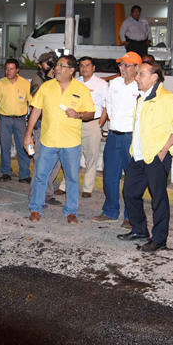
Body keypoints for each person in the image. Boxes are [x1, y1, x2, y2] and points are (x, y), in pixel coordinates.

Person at [117, 62, 173, 252]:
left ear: (154, 77)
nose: (137, 77)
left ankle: (159, 239)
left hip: (157, 156)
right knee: (130, 192)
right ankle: (140, 229)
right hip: (139, 155)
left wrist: (165, 148)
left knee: (158, 199)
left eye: (141, 74)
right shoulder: (142, 98)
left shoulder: (166, 98)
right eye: (137, 74)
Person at [24, 55, 95, 224]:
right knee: (41, 175)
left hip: (71, 143)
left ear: (71, 71)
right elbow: (35, 111)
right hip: (48, 141)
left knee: (71, 178)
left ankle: (71, 211)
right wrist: (28, 135)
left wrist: (78, 114)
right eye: (57, 65)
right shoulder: (46, 87)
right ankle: (35, 208)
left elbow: (91, 113)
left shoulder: (81, 89)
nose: (57, 68)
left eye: (62, 66)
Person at [92, 52, 141, 228]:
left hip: (131, 137)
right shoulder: (114, 83)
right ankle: (110, 211)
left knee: (132, 179)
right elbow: (109, 105)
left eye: (127, 65)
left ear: (137, 68)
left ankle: (130, 216)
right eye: (121, 65)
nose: (122, 68)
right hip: (114, 135)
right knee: (109, 176)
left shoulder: (140, 87)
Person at [56, 57, 107, 199]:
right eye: (82, 66)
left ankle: (87, 188)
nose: (84, 68)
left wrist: (100, 124)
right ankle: (64, 185)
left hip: (92, 124)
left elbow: (106, 107)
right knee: (71, 156)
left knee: (91, 157)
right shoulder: (75, 82)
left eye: (87, 65)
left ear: (93, 68)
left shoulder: (101, 84)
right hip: (74, 123)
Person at [0, 59, 32, 183]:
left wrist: (31, 122)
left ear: (17, 70)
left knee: (23, 147)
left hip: (20, 120)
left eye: (11, 69)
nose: (8, 71)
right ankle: (6, 172)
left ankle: (24, 174)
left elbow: (32, 102)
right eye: (6, 68)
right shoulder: (0, 84)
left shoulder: (25, 84)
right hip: (4, 119)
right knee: (5, 146)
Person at [28, 52, 60, 205]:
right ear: (40, 65)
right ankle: (35, 195)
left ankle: (47, 194)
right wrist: (51, 78)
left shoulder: (55, 80)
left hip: (55, 126)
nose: (52, 66)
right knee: (41, 162)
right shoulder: (37, 81)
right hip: (41, 125)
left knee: (55, 163)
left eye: (54, 63)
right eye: (48, 63)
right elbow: (40, 102)